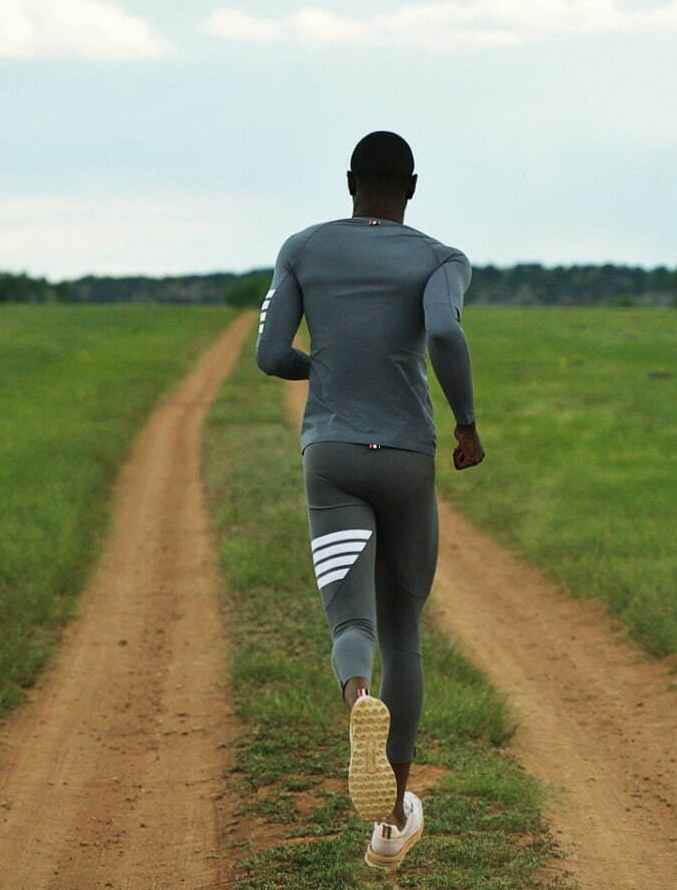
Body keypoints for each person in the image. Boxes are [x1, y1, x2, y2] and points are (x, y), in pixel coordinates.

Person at [255, 130, 483, 871]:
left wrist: (317, 367)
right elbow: (445, 331)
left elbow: (268, 355)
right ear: (411, 186)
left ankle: (358, 700)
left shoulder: (304, 247)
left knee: (351, 619)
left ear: (349, 181)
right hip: (408, 458)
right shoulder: (439, 259)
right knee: (405, 632)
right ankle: (390, 824)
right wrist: (468, 424)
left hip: (333, 458)